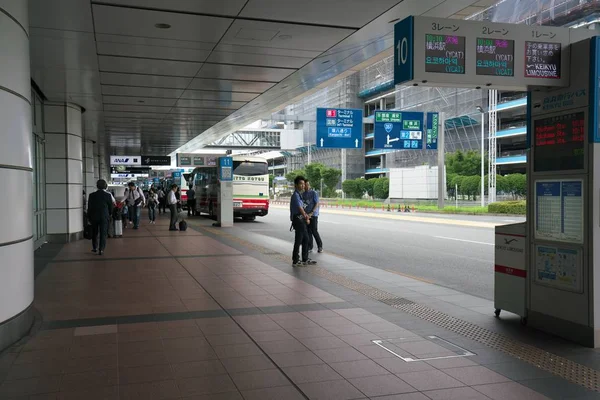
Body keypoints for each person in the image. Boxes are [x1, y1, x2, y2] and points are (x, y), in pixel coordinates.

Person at [290, 176, 316, 267]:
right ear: (296, 185)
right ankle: (295, 260)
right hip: (298, 220)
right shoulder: (296, 195)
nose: (303, 185)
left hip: (301, 219)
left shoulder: (299, 195)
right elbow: (300, 208)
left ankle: (304, 259)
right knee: (299, 240)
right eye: (301, 184)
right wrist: (306, 217)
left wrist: (305, 217)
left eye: (304, 184)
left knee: (306, 239)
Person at [87, 179, 115, 256]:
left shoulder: (91, 195)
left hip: (94, 217)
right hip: (104, 216)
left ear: (97, 186)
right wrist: (110, 214)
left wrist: (89, 217)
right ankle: (101, 249)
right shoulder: (108, 195)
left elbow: (89, 207)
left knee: (94, 232)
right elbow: (110, 207)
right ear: (105, 186)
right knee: (103, 233)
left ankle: (95, 247)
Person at [303, 180, 323, 253]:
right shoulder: (303, 194)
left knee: (314, 231)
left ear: (309, 185)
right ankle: (310, 247)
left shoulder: (314, 193)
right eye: (305, 185)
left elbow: (317, 203)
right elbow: (303, 205)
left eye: (308, 185)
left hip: (313, 215)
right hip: (306, 215)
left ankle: (320, 246)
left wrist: (312, 212)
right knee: (308, 232)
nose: (307, 186)